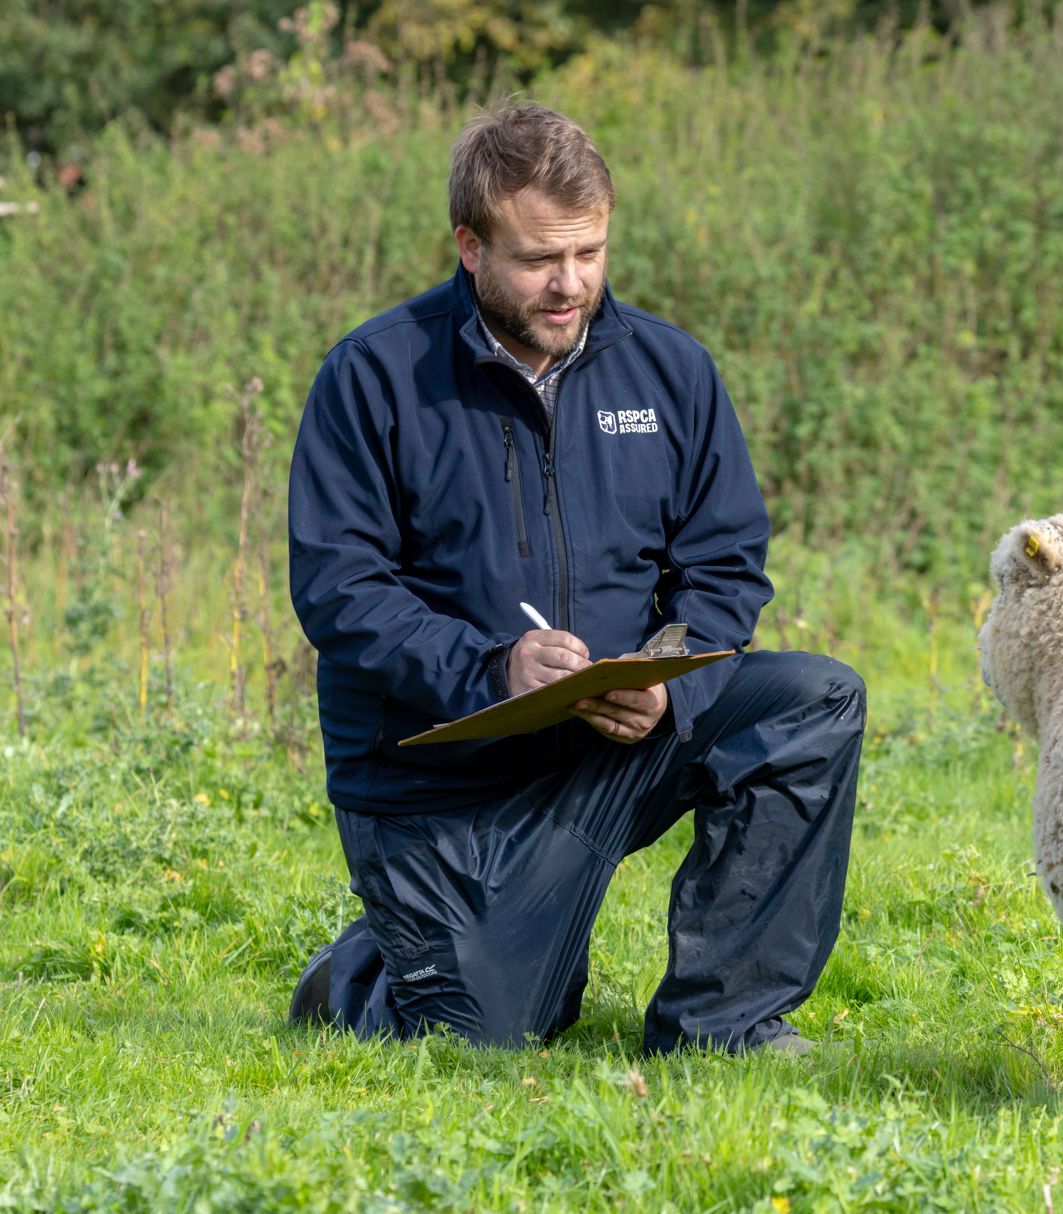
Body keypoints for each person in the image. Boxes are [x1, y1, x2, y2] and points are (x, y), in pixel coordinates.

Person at [284, 101, 864, 1055]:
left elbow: (724, 564)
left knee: (813, 701)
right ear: (470, 247)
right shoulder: (372, 377)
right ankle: (362, 974)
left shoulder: (671, 371)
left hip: (604, 745)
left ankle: (725, 1024)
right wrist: (493, 668)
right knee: (491, 1035)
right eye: (539, 259)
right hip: (435, 780)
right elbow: (341, 590)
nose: (570, 285)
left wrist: (670, 680)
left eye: (589, 253)